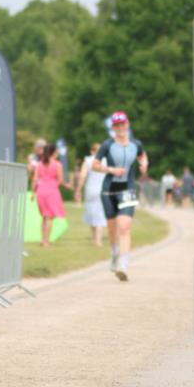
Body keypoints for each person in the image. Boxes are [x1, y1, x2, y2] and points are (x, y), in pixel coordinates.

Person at [93, 112, 148, 281]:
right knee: (112, 227)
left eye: (122, 124)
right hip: (109, 190)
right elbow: (94, 165)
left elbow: (142, 155)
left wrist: (144, 163)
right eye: (117, 125)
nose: (120, 128)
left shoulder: (136, 144)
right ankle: (114, 253)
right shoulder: (107, 145)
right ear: (113, 127)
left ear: (127, 124)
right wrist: (111, 170)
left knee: (124, 227)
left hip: (127, 189)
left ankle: (123, 265)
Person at [32, 142, 66, 247]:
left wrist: (33, 192)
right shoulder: (57, 164)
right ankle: (46, 241)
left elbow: (35, 179)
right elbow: (60, 180)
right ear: (54, 152)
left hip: (40, 191)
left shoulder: (39, 164)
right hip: (52, 191)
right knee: (49, 217)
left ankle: (43, 240)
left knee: (44, 217)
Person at [75, 142, 107, 246]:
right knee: (101, 214)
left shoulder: (88, 160)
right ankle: (99, 240)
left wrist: (78, 190)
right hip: (103, 190)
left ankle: (94, 238)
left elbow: (82, 176)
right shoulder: (106, 161)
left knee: (92, 213)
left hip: (90, 190)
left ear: (92, 151)